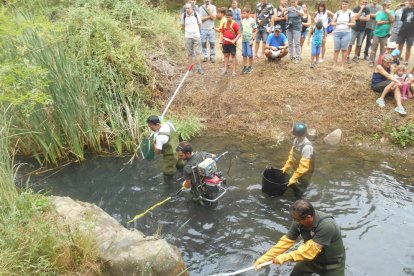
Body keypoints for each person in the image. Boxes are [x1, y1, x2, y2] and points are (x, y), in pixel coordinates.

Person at [255, 199, 346, 276]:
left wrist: (283, 258)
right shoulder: (298, 221)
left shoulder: (327, 225)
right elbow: (286, 241)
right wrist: (265, 258)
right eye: (294, 219)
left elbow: (309, 252)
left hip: (332, 264)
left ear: (309, 217)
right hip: (311, 261)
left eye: (297, 220)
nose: (295, 222)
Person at [280, 122, 314, 198]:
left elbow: (303, 168)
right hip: (296, 169)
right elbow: (291, 155)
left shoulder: (307, 147)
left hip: (305, 174)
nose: (298, 137)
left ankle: (299, 200)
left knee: (299, 192)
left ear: (304, 134)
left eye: (300, 136)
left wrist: (293, 178)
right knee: (292, 184)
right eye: (296, 135)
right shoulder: (296, 140)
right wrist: (286, 167)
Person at [146, 116, 184, 182]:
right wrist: (156, 132)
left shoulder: (159, 138)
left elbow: (158, 152)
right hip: (180, 152)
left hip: (170, 157)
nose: (151, 129)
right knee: (181, 168)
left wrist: (154, 143)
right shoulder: (169, 124)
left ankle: (169, 188)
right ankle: (184, 179)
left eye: (151, 127)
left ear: (157, 124)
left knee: (167, 174)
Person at [369, 0, 395, 67]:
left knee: (383, 50)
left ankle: (380, 62)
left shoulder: (391, 12)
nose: (389, 6)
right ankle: (371, 61)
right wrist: (387, 21)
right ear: (384, 5)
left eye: (390, 4)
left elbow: (392, 20)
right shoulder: (379, 13)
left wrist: (389, 14)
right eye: (388, 5)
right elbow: (379, 22)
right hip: (377, 33)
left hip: (385, 34)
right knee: (373, 48)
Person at [181, 4, 205, 75]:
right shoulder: (184, 15)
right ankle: (190, 69)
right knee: (189, 53)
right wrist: (185, 33)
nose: (187, 10)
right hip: (188, 37)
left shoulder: (196, 14)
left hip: (196, 36)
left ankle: (199, 68)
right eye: (186, 8)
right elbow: (182, 25)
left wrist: (199, 33)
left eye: (188, 8)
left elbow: (200, 24)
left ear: (192, 8)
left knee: (198, 53)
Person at [331, 0, 356, 67]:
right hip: (337, 33)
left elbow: (354, 23)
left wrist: (347, 23)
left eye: (346, 4)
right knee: (336, 50)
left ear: (348, 5)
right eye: (343, 4)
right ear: (341, 5)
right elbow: (332, 23)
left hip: (346, 33)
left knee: (344, 50)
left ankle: (342, 65)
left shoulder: (351, 13)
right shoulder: (337, 12)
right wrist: (336, 23)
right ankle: (334, 64)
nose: (344, 5)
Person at [220, 10, 241, 77]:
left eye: (229, 17)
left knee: (233, 56)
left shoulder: (235, 24)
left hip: (232, 43)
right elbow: (222, 33)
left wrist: (234, 40)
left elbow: (239, 34)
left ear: (232, 17)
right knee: (226, 55)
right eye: (227, 17)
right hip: (225, 43)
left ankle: (234, 71)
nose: (228, 18)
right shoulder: (224, 23)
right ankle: (225, 69)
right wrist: (221, 41)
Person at [397, 0, 414, 65]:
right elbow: (402, 20)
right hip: (403, 31)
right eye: (411, 1)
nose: (412, 2)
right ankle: (397, 59)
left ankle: (406, 61)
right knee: (400, 46)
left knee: (408, 47)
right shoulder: (405, 9)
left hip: (411, 32)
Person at [241, 7, 258, 74]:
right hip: (244, 40)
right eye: (242, 13)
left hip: (249, 40)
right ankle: (245, 67)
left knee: (250, 54)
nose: (243, 14)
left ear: (249, 13)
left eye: (244, 13)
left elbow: (255, 30)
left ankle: (250, 67)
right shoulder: (243, 20)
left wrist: (252, 39)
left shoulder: (252, 20)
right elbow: (242, 30)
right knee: (244, 54)